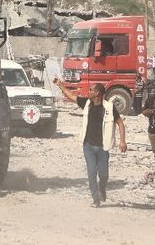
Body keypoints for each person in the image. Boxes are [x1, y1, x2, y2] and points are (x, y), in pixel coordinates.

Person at [54, 78, 127, 207]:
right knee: (91, 172)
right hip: (88, 146)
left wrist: (123, 141)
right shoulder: (87, 103)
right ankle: (96, 200)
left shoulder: (109, 107)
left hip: (103, 147)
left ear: (97, 93)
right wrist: (60, 85)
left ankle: (102, 188)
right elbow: (71, 96)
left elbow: (120, 123)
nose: (89, 91)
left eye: (91, 90)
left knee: (104, 175)